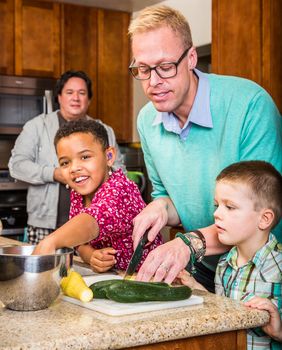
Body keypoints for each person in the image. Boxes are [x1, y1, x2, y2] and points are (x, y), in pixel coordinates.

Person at [127, 5, 282, 290]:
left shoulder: (250, 105)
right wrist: (160, 207)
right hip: (203, 270)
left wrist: (190, 243)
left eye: (165, 67)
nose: (153, 82)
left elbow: (261, 213)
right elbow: (170, 198)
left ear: (191, 58)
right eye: (143, 69)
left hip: (260, 274)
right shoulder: (147, 119)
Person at [8, 70, 125, 245]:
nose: (76, 98)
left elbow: (119, 171)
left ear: (89, 99)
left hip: (93, 225)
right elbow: (17, 166)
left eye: (82, 93)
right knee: (44, 271)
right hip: (45, 225)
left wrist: (94, 174)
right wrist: (54, 173)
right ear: (59, 97)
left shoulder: (104, 130)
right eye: (70, 92)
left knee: (89, 270)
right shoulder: (37, 126)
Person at [33, 119, 163, 271]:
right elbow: (81, 242)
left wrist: (50, 242)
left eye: (85, 157)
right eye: (65, 163)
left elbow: (91, 221)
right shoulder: (77, 193)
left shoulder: (121, 188)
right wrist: (91, 255)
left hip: (153, 277)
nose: (74, 168)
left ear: (109, 156)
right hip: (117, 279)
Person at [179, 160, 282, 349]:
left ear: (264, 219)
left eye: (230, 207)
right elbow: (224, 309)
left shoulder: (279, 267)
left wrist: (279, 331)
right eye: (216, 205)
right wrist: (195, 288)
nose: (217, 214)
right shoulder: (224, 262)